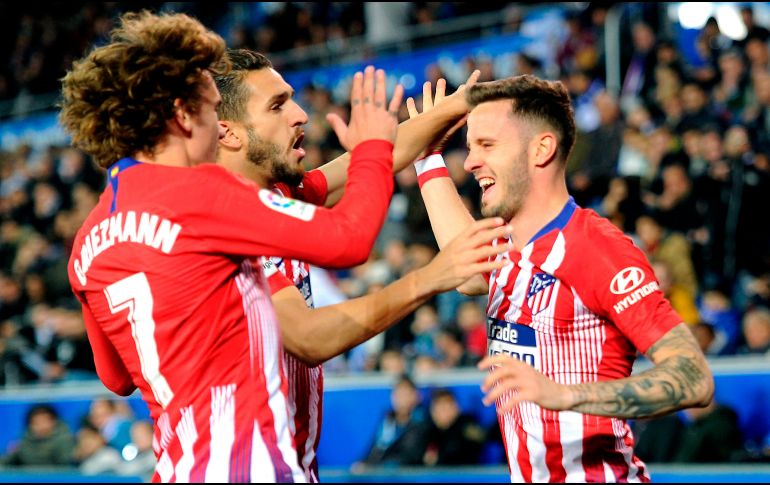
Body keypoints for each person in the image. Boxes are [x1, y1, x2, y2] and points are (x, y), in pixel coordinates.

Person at [60, 11, 405, 483]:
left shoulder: (89, 239)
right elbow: (349, 239)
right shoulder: (201, 193)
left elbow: (117, 378)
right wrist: (372, 149)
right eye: (212, 106)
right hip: (248, 466)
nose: (219, 124)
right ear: (184, 114)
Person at [213, 49, 510, 481]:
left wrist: (463, 103)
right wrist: (429, 277)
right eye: (277, 105)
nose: (300, 115)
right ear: (229, 133)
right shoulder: (226, 221)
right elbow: (309, 338)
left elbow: (379, 159)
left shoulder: (278, 193)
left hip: (284, 464)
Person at [407, 75, 714, 482]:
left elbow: (694, 378)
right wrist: (427, 158)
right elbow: (466, 271)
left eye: (487, 145)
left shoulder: (597, 248)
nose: (470, 162)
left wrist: (565, 395)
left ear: (542, 149)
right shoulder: (510, 247)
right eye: (469, 147)